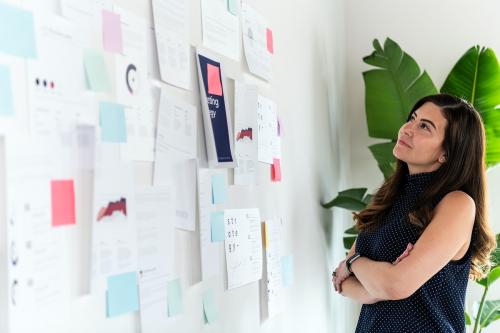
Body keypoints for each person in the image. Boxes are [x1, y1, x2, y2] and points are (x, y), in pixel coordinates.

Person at [332, 93, 497, 332]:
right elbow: (344, 283)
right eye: (413, 118)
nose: (408, 129)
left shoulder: (457, 204)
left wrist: (356, 263)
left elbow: (393, 284)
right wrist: (379, 284)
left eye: (424, 127)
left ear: (447, 153)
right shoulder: (390, 196)